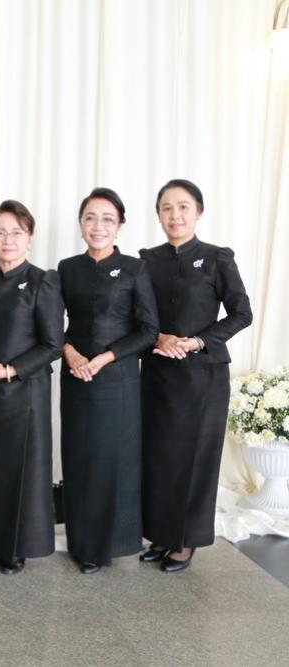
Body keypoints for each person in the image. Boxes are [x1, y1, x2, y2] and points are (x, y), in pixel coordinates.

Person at [139, 179, 252, 573]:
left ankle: (184, 539)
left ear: (199, 212)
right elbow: (136, 316)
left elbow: (242, 313)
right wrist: (159, 337)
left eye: (183, 207)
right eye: (167, 208)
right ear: (158, 215)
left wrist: (198, 341)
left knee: (195, 459)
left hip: (203, 376)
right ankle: (159, 534)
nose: (175, 215)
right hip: (157, 372)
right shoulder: (146, 260)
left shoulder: (217, 258)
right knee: (158, 456)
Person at [58, 187, 159, 574]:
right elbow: (51, 324)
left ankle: (109, 545)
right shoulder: (67, 268)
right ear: (80, 224)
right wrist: (71, 354)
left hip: (117, 380)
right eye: (90, 218)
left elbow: (148, 330)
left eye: (107, 219)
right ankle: (81, 542)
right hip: (76, 376)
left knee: (111, 461)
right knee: (78, 458)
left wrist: (104, 357)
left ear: (120, 225)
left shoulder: (135, 268)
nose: (97, 226)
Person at [0, 200, 63, 575]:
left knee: (21, 470)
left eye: (16, 233)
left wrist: (9, 370)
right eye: (0, 232)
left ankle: (17, 545)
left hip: (26, 390)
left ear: (30, 237)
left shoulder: (43, 281)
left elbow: (52, 345)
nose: (8, 240)